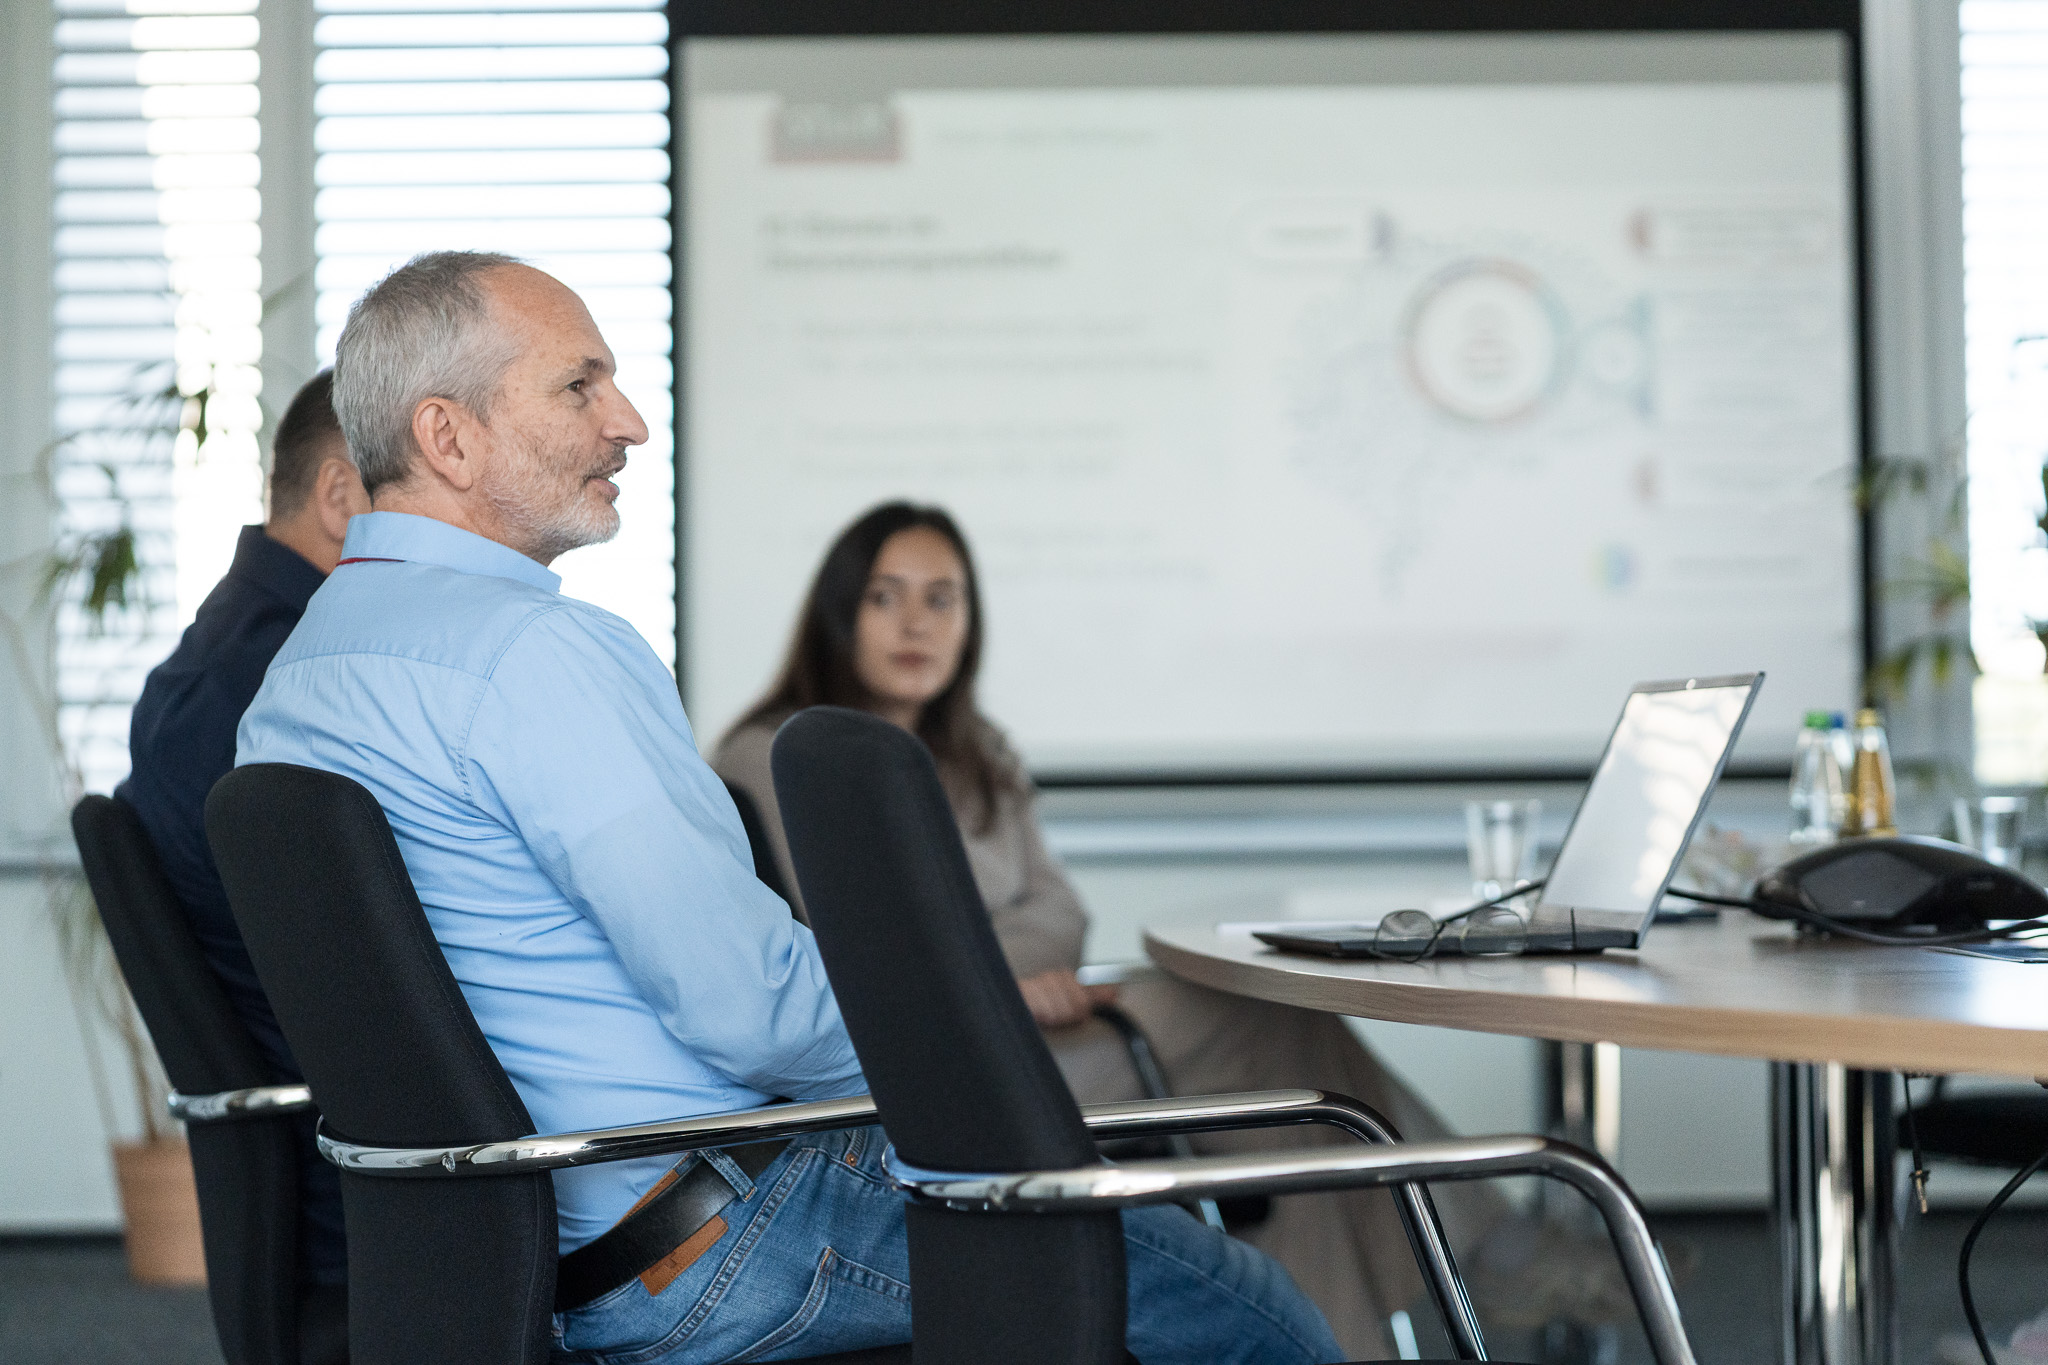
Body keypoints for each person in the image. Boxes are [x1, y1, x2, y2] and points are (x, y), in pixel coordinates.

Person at [236, 250, 1344, 1364]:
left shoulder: (297, 679)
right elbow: (751, 1010)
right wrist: (972, 1064)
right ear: (447, 436)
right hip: (722, 1237)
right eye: (578, 387)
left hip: (527, 1256)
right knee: (1253, 1312)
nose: (627, 423)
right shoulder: (538, 654)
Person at [713, 501, 1511, 1360]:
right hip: (938, 1068)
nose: (917, 623)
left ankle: (1401, 1305)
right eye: (885, 597)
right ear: (837, 612)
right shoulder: (785, 752)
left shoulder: (979, 751)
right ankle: (1490, 1259)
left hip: (1032, 1025)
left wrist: (988, 969)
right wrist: (996, 978)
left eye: (942, 599)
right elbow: (865, 952)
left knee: (1294, 1087)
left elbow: (1062, 913)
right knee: (1279, 1041)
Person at [119, 369, 370, 1305]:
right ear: (341, 496)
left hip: (334, 1166)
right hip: (377, 1187)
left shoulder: (230, 654)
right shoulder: (290, 685)